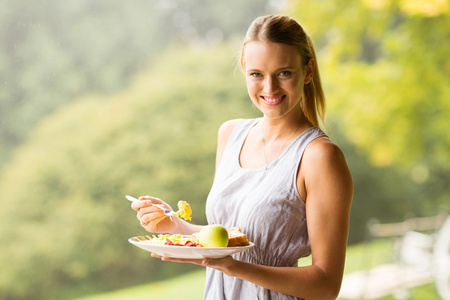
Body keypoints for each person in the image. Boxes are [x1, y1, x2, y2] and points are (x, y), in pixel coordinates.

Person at [131, 14, 353, 300]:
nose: (269, 88)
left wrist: (235, 268)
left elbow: (325, 285)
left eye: (284, 73)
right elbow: (229, 241)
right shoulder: (230, 134)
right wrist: (172, 225)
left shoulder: (320, 157)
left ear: (308, 71)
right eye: (257, 74)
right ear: (244, 69)